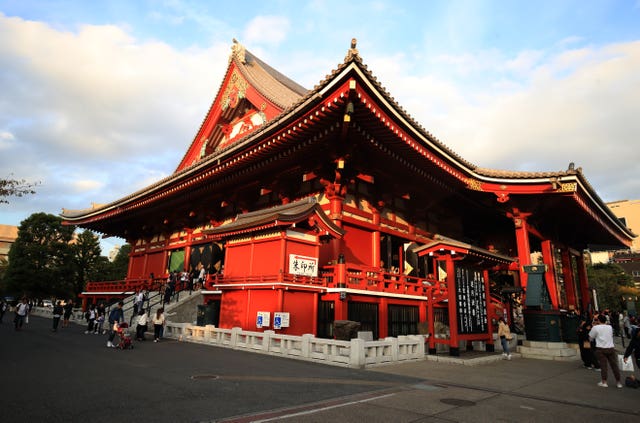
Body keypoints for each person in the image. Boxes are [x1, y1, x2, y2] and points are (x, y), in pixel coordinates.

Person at [589, 314, 623, 388]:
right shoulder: (609, 327)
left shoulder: (595, 328)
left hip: (601, 348)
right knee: (614, 366)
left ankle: (604, 382)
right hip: (610, 347)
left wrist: (593, 326)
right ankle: (618, 382)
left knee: (603, 365)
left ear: (598, 320)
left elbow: (591, 338)